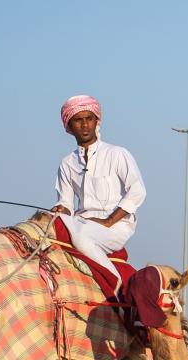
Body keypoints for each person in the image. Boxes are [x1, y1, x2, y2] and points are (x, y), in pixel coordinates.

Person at [51, 95, 145, 277]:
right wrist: (60, 210)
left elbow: (137, 191)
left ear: (97, 121)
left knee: (81, 236)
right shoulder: (67, 163)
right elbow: (66, 203)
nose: (85, 125)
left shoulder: (117, 154)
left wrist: (108, 221)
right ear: (69, 127)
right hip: (81, 222)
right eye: (78, 120)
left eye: (89, 119)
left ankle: (114, 281)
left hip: (115, 227)